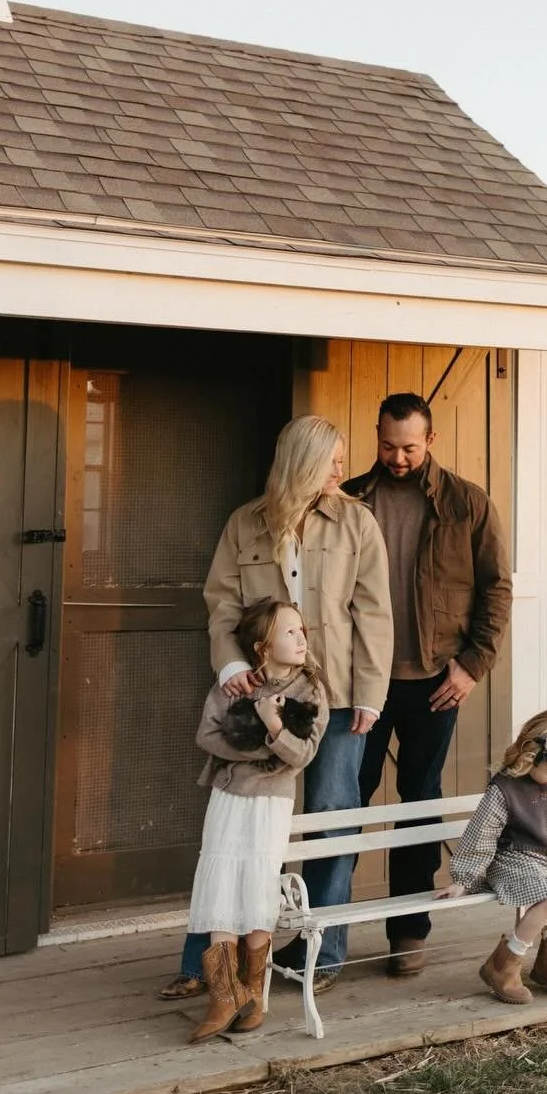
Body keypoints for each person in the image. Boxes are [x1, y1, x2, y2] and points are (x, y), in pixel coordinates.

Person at [160, 415, 392, 999]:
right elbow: (221, 604)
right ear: (302, 461)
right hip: (258, 696)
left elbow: (374, 614)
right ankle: (209, 958)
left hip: (334, 695)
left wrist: (370, 693)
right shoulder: (246, 524)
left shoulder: (356, 522)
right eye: (333, 459)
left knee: (335, 814)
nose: (343, 469)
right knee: (237, 820)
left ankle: (326, 951)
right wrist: (231, 664)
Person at [337, 391, 512, 977]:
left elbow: (496, 589)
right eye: (388, 445)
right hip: (360, 681)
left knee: (419, 801)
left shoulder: (468, 504)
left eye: (410, 446)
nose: (398, 457)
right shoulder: (351, 498)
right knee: (343, 803)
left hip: (436, 679)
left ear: (430, 440)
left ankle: (409, 931)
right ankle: (326, 934)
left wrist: (471, 665)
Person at [184, 598, 324, 1040]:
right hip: (227, 796)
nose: (302, 639)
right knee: (221, 880)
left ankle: (254, 992)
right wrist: (266, 742)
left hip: (269, 803)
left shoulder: (310, 690)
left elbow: (302, 755)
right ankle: (224, 992)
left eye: (303, 632)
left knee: (258, 885)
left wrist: (274, 726)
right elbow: (206, 734)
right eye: (290, 632)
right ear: (262, 647)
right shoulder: (236, 684)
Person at [442, 709, 547, 1005]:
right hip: (508, 858)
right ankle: (502, 966)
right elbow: (481, 834)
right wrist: (463, 879)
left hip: (542, 857)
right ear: (533, 756)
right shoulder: (504, 788)